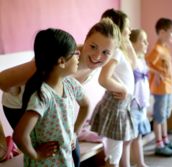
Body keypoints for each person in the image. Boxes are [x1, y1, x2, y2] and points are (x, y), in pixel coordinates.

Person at [0, 18, 120, 167]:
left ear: (113, 54)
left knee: (70, 151)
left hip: (48, 107)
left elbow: (79, 102)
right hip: (19, 105)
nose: (97, 56)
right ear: (85, 40)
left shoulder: (86, 68)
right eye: (93, 46)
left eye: (105, 52)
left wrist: (74, 131)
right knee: (49, 154)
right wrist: (22, 91)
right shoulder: (57, 57)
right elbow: (3, 81)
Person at [13, 28, 89, 166]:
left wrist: (75, 132)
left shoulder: (71, 84)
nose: (79, 56)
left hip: (65, 160)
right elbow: (19, 136)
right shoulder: (42, 96)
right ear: (61, 61)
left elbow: (86, 105)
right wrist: (35, 155)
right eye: (75, 53)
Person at [90, 8, 137, 167]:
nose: (130, 30)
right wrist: (123, 89)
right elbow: (104, 79)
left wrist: (128, 42)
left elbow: (134, 64)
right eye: (127, 27)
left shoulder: (120, 51)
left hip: (121, 105)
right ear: (118, 29)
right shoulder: (115, 52)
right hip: (116, 105)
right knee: (114, 153)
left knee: (118, 147)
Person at [145, 18, 172, 157]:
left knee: (164, 116)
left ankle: (165, 140)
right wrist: (157, 73)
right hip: (160, 90)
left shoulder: (165, 47)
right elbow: (146, 64)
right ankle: (158, 144)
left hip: (168, 88)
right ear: (162, 32)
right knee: (159, 117)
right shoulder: (157, 50)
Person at [129, 29, 151, 167]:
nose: (147, 43)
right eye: (143, 41)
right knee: (130, 138)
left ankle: (140, 163)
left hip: (141, 104)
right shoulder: (131, 61)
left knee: (138, 136)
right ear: (132, 43)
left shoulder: (142, 60)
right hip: (133, 105)